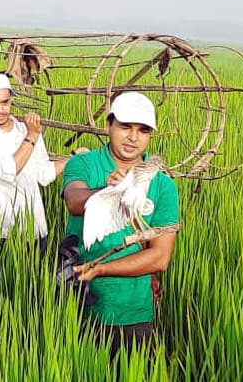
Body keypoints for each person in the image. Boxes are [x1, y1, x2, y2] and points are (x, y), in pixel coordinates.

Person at [61, 92, 180, 356]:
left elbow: (160, 257)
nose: (133, 137)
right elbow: (73, 199)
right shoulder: (84, 163)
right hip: (76, 301)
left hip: (132, 309)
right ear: (109, 125)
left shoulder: (163, 185)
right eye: (125, 126)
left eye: (143, 130)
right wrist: (108, 190)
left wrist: (100, 268)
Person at [0, 72, 85, 255]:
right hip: (1, 230)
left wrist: (74, 156)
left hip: (34, 226)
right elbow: (9, 171)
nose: (0, 110)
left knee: (35, 279)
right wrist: (32, 136)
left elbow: (44, 175)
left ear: (11, 100)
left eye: (5, 102)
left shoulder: (24, 129)